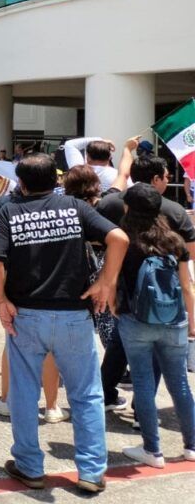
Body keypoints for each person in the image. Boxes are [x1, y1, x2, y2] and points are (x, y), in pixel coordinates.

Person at [0, 153, 128, 494]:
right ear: (57, 181)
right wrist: (105, 283)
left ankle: (29, 466)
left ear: (20, 183)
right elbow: (119, 238)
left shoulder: (10, 211)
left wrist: (1, 300)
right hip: (74, 316)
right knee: (86, 395)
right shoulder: (75, 208)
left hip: (26, 316)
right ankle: (91, 472)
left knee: (22, 392)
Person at [112, 183, 195, 467]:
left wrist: (114, 308)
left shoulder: (123, 240)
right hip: (174, 321)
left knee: (144, 384)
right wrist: (192, 325)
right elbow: (187, 286)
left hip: (135, 319)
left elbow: (111, 280)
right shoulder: (175, 241)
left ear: (129, 208)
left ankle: (153, 451)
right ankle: (191, 446)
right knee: (180, 385)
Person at [0, 191, 68, 423]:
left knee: (13, 337)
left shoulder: (9, 201)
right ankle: (52, 406)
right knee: (49, 346)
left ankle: (7, 400)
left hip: (15, 276)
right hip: (51, 278)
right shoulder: (62, 202)